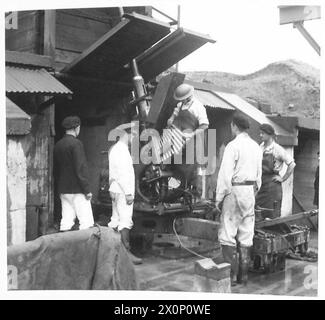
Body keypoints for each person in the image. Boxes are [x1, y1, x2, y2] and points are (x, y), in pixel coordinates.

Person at [215, 112, 262, 286]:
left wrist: (218, 199)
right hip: (250, 192)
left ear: (234, 126)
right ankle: (244, 277)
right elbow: (259, 177)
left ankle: (231, 277)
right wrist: (253, 194)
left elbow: (225, 175)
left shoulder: (233, 146)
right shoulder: (256, 147)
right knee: (246, 234)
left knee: (228, 233)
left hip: (235, 190)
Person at [108, 122, 142, 265]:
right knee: (125, 220)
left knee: (115, 219)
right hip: (123, 191)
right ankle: (125, 254)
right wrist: (128, 193)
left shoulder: (115, 149)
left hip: (116, 189)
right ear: (125, 134)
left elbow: (113, 173)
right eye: (133, 134)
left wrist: (111, 187)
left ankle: (111, 252)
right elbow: (122, 173)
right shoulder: (122, 150)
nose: (134, 137)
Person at [167, 83, 209, 197]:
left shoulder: (198, 107)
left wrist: (192, 134)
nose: (183, 101)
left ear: (189, 96)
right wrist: (171, 119)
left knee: (189, 171)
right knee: (176, 169)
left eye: (184, 99)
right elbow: (173, 116)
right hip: (178, 143)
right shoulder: (180, 105)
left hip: (192, 144)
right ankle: (174, 195)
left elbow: (204, 125)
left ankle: (190, 195)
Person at [54, 116, 94, 231]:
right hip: (78, 190)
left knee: (66, 221)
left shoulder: (58, 145)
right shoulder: (76, 144)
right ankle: (85, 248)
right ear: (77, 128)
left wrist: (59, 188)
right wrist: (87, 190)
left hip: (63, 190)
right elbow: (80, 168)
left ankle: (64, 247)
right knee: (86, 223)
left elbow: (56, 170)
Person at [256, 123, 296, 218]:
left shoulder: (277, 149)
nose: (260, 135)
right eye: (260, 133)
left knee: (271, 213)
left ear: (270, 134)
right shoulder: (260, 147)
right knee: (258, 211)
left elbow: (292, 164)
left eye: (263, 133)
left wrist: (283, 178)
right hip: (261, 183)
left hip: (272, 185)